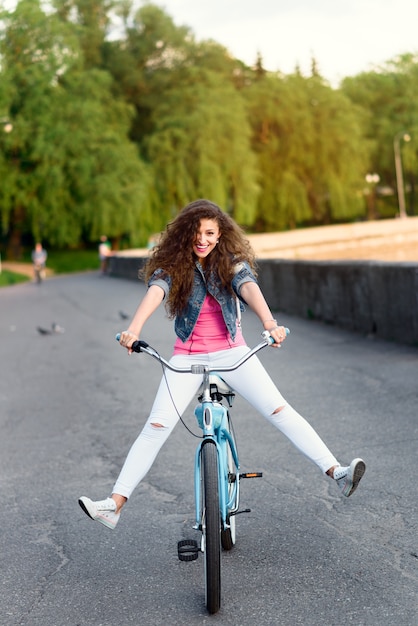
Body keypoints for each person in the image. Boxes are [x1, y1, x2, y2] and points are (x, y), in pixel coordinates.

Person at [79, 199, 366, 530]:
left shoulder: (230, 262)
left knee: (279, 410)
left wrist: (270, 323)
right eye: (196, 233)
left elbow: (248, 286)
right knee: (156, 427)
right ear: (185, 235)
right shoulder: (174, 265)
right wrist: (134, 329)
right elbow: (157, 290)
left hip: (233, 353)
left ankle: (337, 473)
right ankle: (114, 505)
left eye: (210, 233)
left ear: (220, 234)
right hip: (187, 356)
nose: (203, 239)